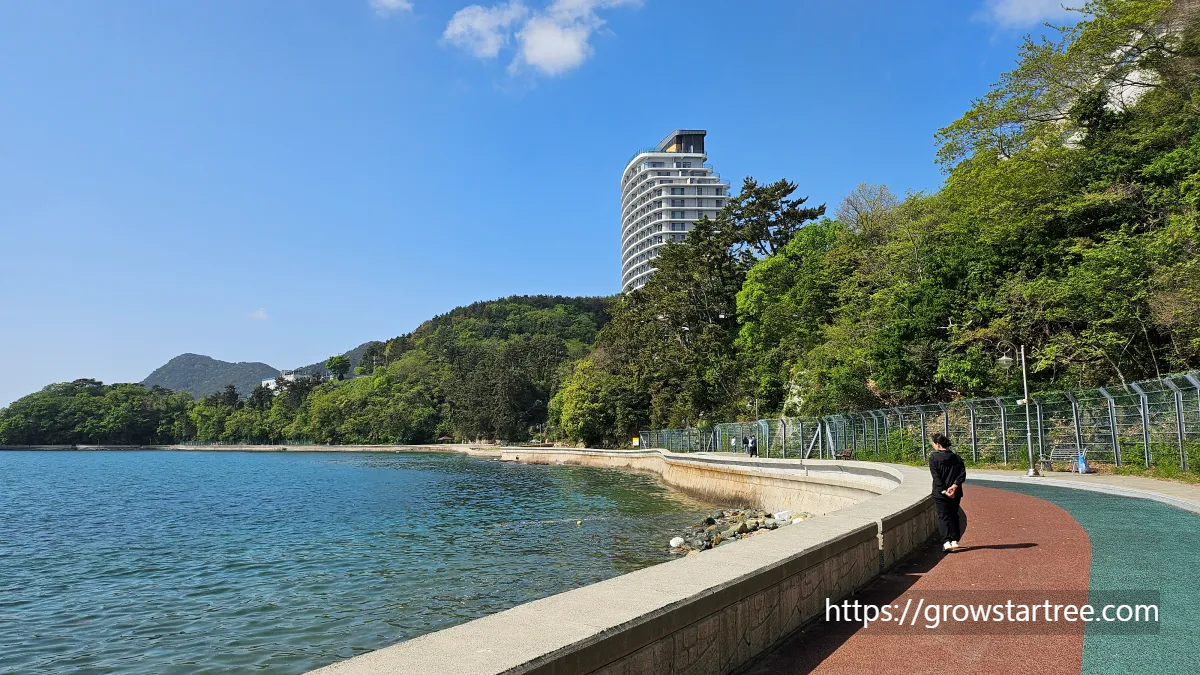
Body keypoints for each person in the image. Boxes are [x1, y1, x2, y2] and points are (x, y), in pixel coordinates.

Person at [928, 432, 966, 552]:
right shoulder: (956, 457)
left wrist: (944, 490)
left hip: (941, 493)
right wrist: (954, 486)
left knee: (943, 516)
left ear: (937, 444)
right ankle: (955, 540)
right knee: (954, 515)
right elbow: (962, 474)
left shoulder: (934, 458)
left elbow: (936, 477)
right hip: (956, 492)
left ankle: (946, 541)